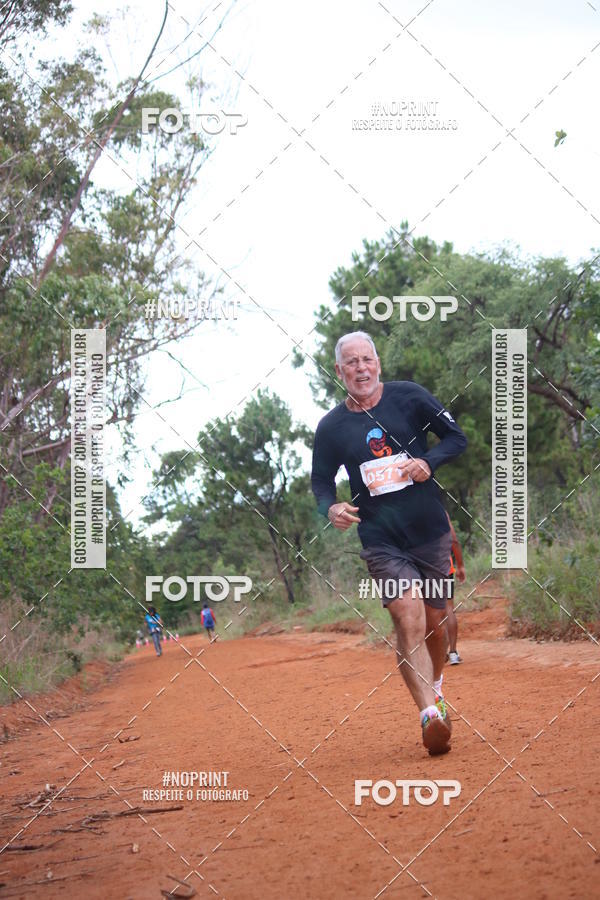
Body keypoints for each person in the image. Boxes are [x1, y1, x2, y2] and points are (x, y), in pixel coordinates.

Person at [311, 332, 467, 755]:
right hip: (381, 538)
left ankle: (435, 687)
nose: (360, 368)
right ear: (339, 371)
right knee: (407, 616)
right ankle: (428, 716)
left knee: (435, 624)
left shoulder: (410, 397)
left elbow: (456, 438)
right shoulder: (331, 427)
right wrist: (331, 509)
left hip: (429, 532)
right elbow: (321, 482)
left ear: (377, 364)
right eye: (351, 363)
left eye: (367, 360)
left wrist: (427, 462)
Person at [445, 513, 466, 665]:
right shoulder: (439, 509)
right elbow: (453, 539)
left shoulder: (406, 506)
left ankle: (432, 654)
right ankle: (452, 653)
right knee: (448, 608)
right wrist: (460, 565)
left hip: (418, 568)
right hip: (442, 566)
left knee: (424, 610)